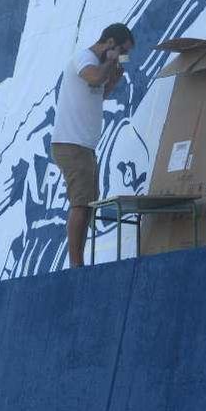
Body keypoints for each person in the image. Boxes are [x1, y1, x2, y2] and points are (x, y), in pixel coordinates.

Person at [51, 23, 134, 268]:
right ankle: (76, 265)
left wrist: (114, 80)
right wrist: (109, 65)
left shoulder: (97, 64)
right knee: (80, 203)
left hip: (83, 145)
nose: (122, 57)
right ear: (109, 44)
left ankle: (78, 261)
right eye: (122, 51)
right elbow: (95, 77)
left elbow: (97, 91)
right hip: (72, 143)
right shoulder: (85, 58)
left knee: (87, 204)